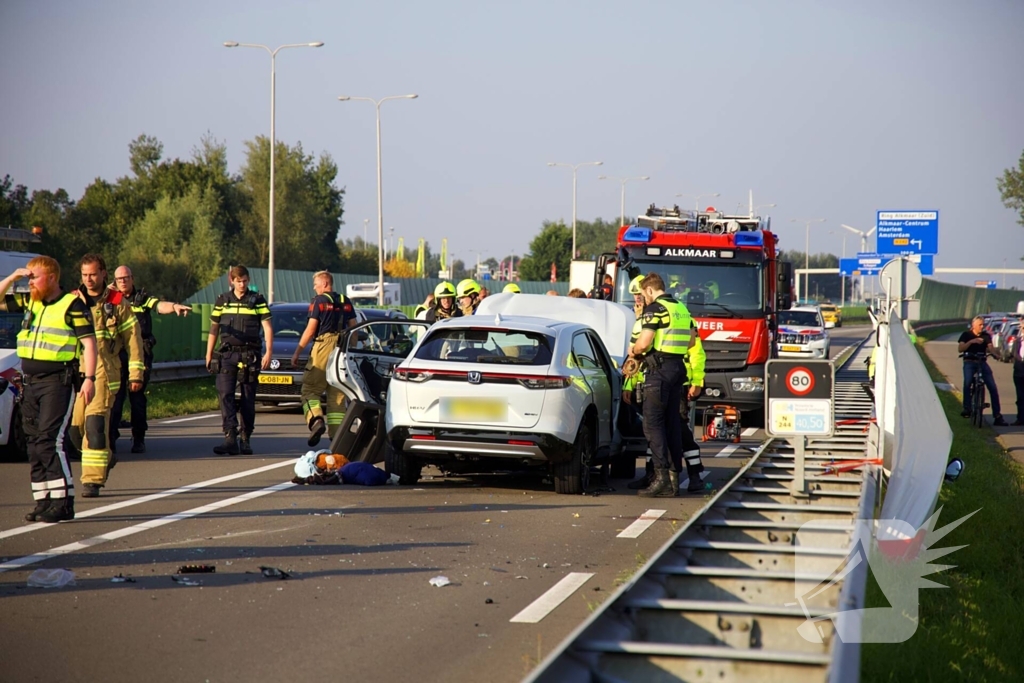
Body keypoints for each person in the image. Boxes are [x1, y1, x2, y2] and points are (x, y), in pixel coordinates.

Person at [0, 256, 97, 523]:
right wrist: (11, 279)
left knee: (48, 441)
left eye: (34, 277)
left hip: (57, 381)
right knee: (33, 444)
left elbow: (89, 343)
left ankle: (63, 503)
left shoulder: (71, 304)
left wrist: (89, 378)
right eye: (28, 277)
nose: (29, 281)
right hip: (30, 382)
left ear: (52, 277)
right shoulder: (31, 301)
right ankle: (43, 501)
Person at [71, 254, 145, 497]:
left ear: (104, 273)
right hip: (77, 373)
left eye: (93, 274)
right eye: (84, 275)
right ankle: (107, 455)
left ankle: (92, 481)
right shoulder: (73, 301)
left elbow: (134, 340)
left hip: (104, 373)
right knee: (75, 431)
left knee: (95, 426)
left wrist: (136, 374)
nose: (89, 279)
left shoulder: (117, 302)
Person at [629, 272, 699, 497]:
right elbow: (690, 342)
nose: (643, 298)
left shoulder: (655, 309)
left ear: (650, 290)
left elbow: (643, 343)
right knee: (672, 426)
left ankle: (661, 478)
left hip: (658, 371)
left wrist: (635, 351)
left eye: (643, 294)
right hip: (678, 369)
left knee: (653, 425)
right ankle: (674, 478)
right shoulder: (681, 308)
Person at [108, 265, 192, 454]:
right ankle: (111, 437)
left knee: (136, 398)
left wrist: (174, 306)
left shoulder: (141, 298)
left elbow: (159, 306)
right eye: (119, 279)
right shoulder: (111, 299)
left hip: (140, 355)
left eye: (126, 278)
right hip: (116, 354)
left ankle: (138, 438)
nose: (122, 281)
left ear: (132, 279)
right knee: (115, 398)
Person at [206, 266, 273, 455]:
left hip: (249, 356)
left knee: (247, 399)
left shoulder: (257, 300)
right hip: (226, 355)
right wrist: (208, 353)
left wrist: (269, 352)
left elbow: (267, 327)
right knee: (225, 394)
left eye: (245, 280)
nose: (242, 284)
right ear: (231, 281)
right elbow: (214, 328)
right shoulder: (222, 300)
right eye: (238, 281)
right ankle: (230, 436)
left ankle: (245, 438)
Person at [292, 271, 357, 447]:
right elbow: (354, 330)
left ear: (325, 284)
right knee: (337, 395)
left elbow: (311, 329)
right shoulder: (346, 301)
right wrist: (351, 350)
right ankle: (336, 438)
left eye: (316, 284)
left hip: (323, 346)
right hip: (342, 347)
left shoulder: (319, 301)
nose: (315, 288)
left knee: (310, 389)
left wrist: (298, 351)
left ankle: (316, 420)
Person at [958, 316, 1006, 426]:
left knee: (992, 387)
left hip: (982, 362)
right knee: (967, 382)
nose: (982, 326)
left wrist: (995, 354)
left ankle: (997, 416)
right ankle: (967, 408)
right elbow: (960, 348)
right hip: (969, 361)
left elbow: (990, 347)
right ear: (973, 325)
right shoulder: (966, 335)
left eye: (983, 325)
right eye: (980, 325)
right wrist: (971, 342)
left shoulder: (986, 336)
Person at [1011, 332, 1024, 426]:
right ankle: (1020, 418)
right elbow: (1014, 353)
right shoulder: (1018, 341)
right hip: (1019, 372)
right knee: (1020, 396)